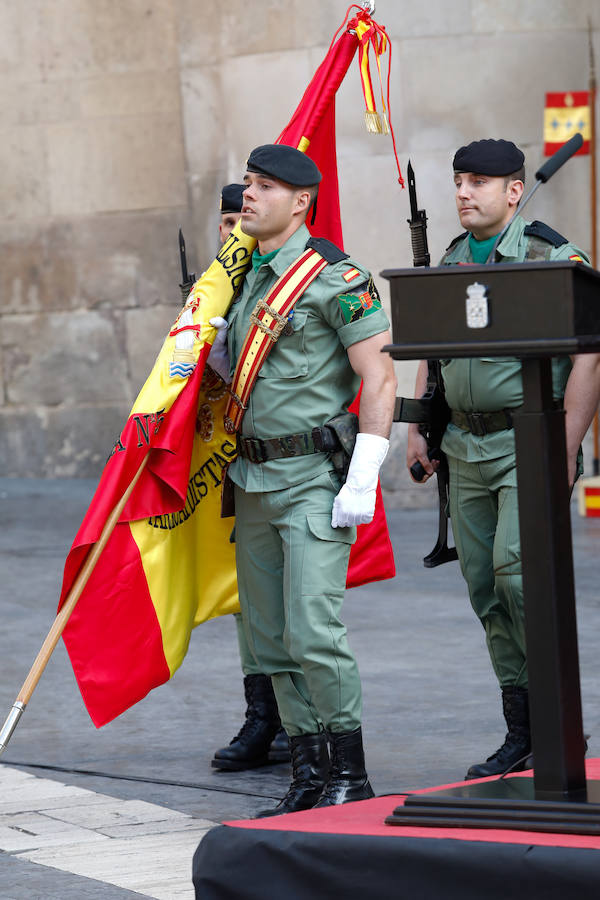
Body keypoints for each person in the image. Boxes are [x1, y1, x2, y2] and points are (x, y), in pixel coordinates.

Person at [208, 144, 397, 816]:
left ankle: (351, 773)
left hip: (313, 478)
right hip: (253, 479)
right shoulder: (246, 281)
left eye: (263, 187)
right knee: (269, 638)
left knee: (313, 630)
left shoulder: (336, 280)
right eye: (248, 185)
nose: (248, 196)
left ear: (301, 202)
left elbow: (380, 377)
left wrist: (366, 473)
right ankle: (309, 773)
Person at [406, 138, 600, 779]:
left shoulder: (551, 255)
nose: (463, 192)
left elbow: (589, 352)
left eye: (478, 183)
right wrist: (418, 428)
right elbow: (428, 343)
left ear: (514, 191)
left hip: (528, 442)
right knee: (486, 587)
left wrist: (564, 445)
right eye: (459, 180)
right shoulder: (455, 257)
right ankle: (521, 731)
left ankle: (557, 723)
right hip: (464, 445)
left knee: (523, 581)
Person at [210, 184, 290, 772]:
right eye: (227, 220)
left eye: (244, 215)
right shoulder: (210, 296)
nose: (234, 227)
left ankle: (297, 718)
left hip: (285, 460)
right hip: (227, 465)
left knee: (296, 598)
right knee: (249, 601)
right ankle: (262, 716)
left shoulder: (279, 286)